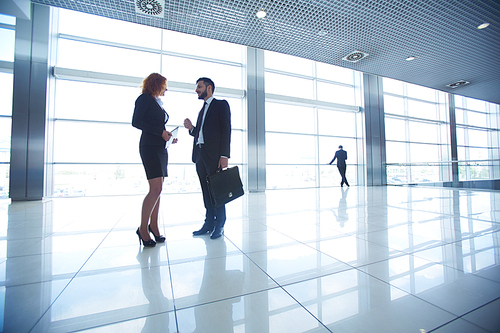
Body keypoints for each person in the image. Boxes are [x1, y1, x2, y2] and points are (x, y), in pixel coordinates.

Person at [132, 73, 176, 247]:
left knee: (159, 189)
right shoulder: (143, 99)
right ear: (157, 84)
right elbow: (136, 122)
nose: (166, 89)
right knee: (155, 188)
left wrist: (168, 136)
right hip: (149, 147)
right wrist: (160, 133)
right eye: (164, 85)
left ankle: (154, 226)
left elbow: (158, 126)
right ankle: (143, 229)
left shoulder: (156, 103)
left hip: (160, 148)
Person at [183, 77, 231, 239]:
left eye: (199, 87)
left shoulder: (220, 105)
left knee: (217, 191)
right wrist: (191, 129)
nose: (197, 90)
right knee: (206, 190)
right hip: (200, 155)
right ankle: (209, 222)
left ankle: (220, 224)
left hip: (214, 155)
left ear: (209, 88)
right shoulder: (202, 110)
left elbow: (226, 130)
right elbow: (201, 133)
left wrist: (224, 155)